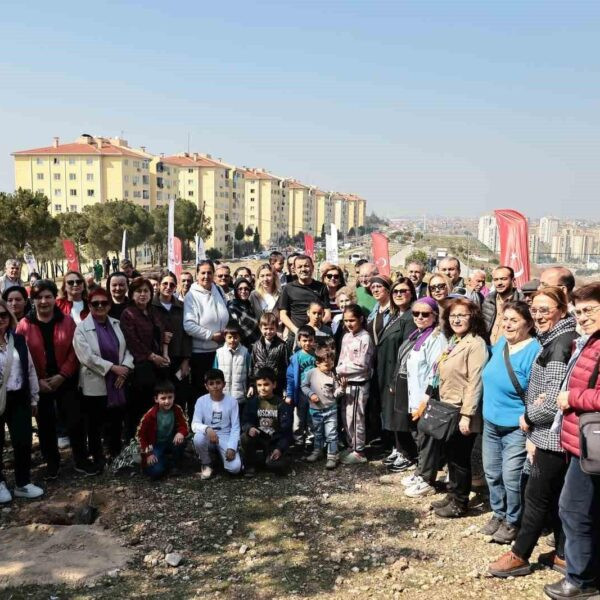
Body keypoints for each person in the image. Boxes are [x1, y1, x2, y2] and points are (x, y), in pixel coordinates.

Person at [489, 287, 578, 577]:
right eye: (535, 309)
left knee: (536, 496)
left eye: (545, 310)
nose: (538, 315)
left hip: (551, 436)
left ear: (562, 311)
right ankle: (564, 555)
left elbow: (552, 398)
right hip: (551, 433)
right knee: (555, 497)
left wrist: (529, 415)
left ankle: (520, 555)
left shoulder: (559, 343)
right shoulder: (554, 338)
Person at [546, 282, 600, 600]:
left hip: (591, 444)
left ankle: (580, 581)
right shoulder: (590, 341)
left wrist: (572, 397)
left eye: (590, 310)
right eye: (579, 312)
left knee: (573, 510)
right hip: (583, 442)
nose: (582, 317)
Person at [416, 297, 488, 516]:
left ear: (472, 317)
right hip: (447, 407)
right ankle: (453, 492)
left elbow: (475, 381)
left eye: (462, 315)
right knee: (451, 455)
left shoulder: (475, 344)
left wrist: (467, 415)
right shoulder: (455, 340)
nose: (456, 319)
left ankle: (460, 502)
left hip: (461, 410)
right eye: (453, 315)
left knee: (460, 458)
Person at [16, 279, 94, 478]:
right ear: (33, 300)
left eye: (48, 296)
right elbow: (20, 357)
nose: (44, 301)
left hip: (65, 380)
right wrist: (37, 381)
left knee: (75, 421)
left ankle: (81, 459)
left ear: (54, 298)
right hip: (39, 383)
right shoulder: (24, 325)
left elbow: (75, 351)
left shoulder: (67, 321)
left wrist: (63, 375)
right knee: (45, 424)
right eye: (39, 297)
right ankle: (52, 462)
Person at [480, 301, 540, 542]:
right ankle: (499, 512)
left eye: (514, 320)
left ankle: (513, 520)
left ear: (529, 323)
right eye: (505, 319)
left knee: (511, 476)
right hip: (490, 422)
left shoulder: (534, 350)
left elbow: (537, 392)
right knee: (492, 472)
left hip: (516, 426)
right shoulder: (501, 343)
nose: (507, 324)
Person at [388, 297, 446, 493]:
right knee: (417, 435)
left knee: (426, 438)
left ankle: (427, 479)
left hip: (425, 397)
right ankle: (421, 471)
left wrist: (427, 397)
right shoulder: (416, 335)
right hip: (412, 394)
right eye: (416, 314)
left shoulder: (436, 338)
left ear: (435, 315)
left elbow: (436, 370)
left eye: (425, 314)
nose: (420, 317)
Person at [73, 287, 134, 467]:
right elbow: (87, 357)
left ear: (109, 305)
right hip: (95, 382)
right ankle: (98, 456)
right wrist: (113, 368)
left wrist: (125, 368)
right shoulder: (81, 329)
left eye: (104, 303)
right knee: (95, 423)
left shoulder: (117, 324)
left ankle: (115, 453)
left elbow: (129, 349)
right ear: (89, 306)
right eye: (95, 303)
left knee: (116, 420)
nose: (100, 306)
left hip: (118, 381)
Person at [0, 299, 43, 503]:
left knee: (23, 440)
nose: (0, 320)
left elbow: (30, 369)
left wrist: (34, 398)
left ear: (9, 317)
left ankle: (22, 483)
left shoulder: (17, 340)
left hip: (19, 397)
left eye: (3, 315)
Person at [120, 277, 172, 439]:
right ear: (132, 294)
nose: (142, 294)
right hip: (140, 368)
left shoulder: (153, 312)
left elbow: (164, 334)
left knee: (154, 406)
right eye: (138, 291)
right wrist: (152, 356)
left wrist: (164, 354)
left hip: (157, 367)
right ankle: (135, 443)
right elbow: (132, 340)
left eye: (146, 291)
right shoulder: (128, 314)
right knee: (138, 409)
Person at [378, 278, 418, 470]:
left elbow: (406, 350)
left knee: (400, 415)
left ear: (412, 293)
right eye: (395, 292)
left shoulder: (411, 318)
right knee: (391, 412)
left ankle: (407, 453)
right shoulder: (395, 315)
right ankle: (398, 448)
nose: (399, 294)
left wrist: (395, 378)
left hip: (398, 374)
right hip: (387, 372)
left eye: (404, 291)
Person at [183, 260, 230, 400]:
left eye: (209, 272)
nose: (206, 276)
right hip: (201, 355)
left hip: (220, 351)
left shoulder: (218, 290)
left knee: (219, 394)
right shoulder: (191, 296)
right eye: (203, 273)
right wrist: (211, 336)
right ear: (197, 275)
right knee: (202, 395)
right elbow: (189, 325)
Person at [336, 305, 375, 465]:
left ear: (360, 319)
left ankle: (359, 450)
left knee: (357, 417)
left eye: (352, 320)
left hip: (359, 383)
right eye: (346, 321)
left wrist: (339, 369)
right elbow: (342, 357)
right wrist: (338, 374)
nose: (349, 324)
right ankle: (351, 445)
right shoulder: (346, 336)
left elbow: (362, 364)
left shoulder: (365, 338)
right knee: (347, 416)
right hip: (346, 383)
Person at [152, 271, 193, 416]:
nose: (168, 287)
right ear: (159, 284)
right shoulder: (151, 306)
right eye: (165, 283)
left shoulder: (182, 306)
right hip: (157, 361)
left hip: (178, 358)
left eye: (172, 284)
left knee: (179, 396)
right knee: (160, 398)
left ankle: (180, 431)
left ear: (176, 287)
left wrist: (186, 360)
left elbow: (188, 334)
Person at [241, 366, 294, 477]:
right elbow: (245, 421)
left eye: (266, 384)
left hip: (274, 442)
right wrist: (249, 427)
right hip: (258, 439)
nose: (262, 388)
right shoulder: (252, 403)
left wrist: (279, 448)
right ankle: (250, 465)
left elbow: (286, 432)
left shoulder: (281, 405)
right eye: (259, 385)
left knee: (274, 465)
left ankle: (275, 459)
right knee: (245, 437)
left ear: (274, 385)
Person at [192, 368, 242, 479]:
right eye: (211, 383)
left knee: (235, 469)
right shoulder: (201, 401)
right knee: (198, 438)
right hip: (208, 435)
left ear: (224, 384)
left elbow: (235, 427)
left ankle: (221, 458)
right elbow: (195, 424)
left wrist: (232, 447)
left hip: (225, 436)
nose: (215, 386)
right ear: (206, 386)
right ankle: (207, 462)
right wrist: (207, 429)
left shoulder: (232, 402)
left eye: (218, 383)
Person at [302, 346, 346, 469]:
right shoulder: (311, 373)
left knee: (331, 433)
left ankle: (332, 456)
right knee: (318, 433)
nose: (329, 367)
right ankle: (317, 451)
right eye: (326, 365)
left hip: (330, 409)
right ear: (318, 363)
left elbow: (336, 394)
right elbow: (304, 386)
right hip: (315, 410)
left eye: (331, 363)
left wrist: (342, 388)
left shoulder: (333, 375)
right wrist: (311, 394)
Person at [137, 379, 188, 480]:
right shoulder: (149, 416)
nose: (167, 401)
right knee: (155, 472)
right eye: (163, 398)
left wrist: (181, 433)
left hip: (171, 441)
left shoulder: (177, 409)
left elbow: (185, 425)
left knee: (181, 441)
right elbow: (140, 436)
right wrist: (148, 454)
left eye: (170, 397)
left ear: (174, 397)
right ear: (156, 399)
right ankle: (164, 460)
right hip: (155, 445)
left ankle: (175, 464)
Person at [278, 255, 331, 351]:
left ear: (312, 267)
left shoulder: (321, 287)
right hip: (295, 336)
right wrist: (297, 331)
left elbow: (327, 313)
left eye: (306, 266)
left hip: (317, 336)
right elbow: (282, 315)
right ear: (294, 269)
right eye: (299, 267)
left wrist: (317, 326)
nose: (303, 269)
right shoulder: (288, 288)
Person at [285, 325, 317, 447]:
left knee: (312, 417)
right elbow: (290, 377)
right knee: (298, 418)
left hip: (314, 392)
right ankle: (298, 440)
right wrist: (289, 394)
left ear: (314, 340)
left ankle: (310, 440)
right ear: (299, 341)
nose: (307, 343)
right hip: (300, 393)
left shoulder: (317, 355)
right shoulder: (295, 358)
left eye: (310, 340)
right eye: (304, 340)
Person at [482, 266, 524, 345]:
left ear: (513, 280)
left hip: (509, 349)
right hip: (488, 348)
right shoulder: (488, 300)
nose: (499, 283)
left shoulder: (522, 302)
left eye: (503, 279)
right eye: (496, 279)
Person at [250, 312, 288, 397]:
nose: (268, 331)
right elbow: (252, 366)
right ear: (260, 328)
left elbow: (285, 367)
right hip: (260, 386)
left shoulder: (282, 345)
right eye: (265, 328)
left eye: (271, 328)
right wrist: (251, 385)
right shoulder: (256, 345)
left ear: (276, 328)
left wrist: (285, 388)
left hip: (276, 386)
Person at [213, 323, 251, 407]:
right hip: (223, 396)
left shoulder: (245, 353)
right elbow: (214, 373)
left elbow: (250, 373)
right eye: (229, 337)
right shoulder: (219, 353)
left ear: (240, 337)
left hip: (240, 397)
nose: (232, 340)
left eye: (235, 337)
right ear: (224, 337)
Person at [228, 278, 261, 347]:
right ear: (235, 291)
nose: (243, 291)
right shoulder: (232, 307)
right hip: (242, 346)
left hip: (256, 344)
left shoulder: (249, 304)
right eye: (240, 289)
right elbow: (236, 330)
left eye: (246, 289)